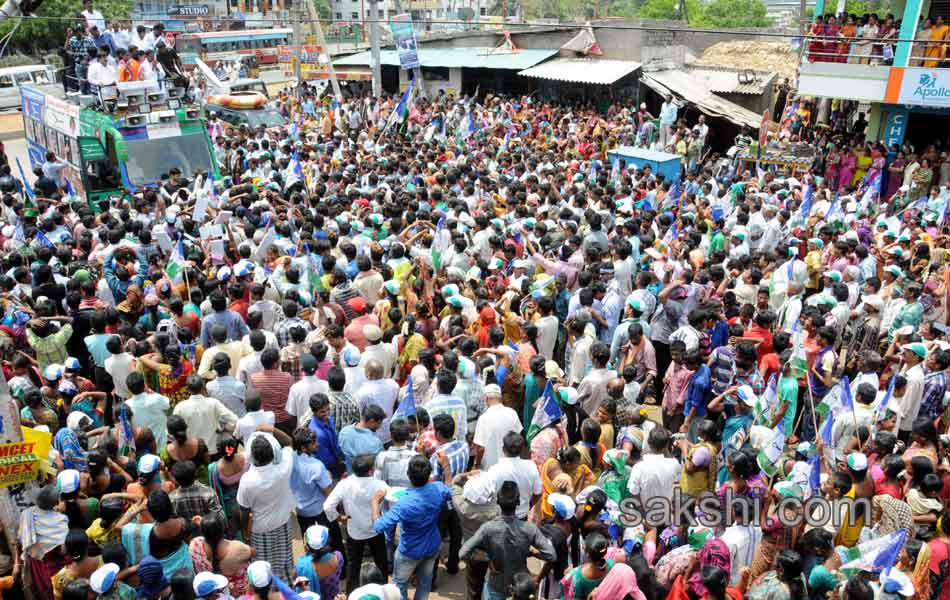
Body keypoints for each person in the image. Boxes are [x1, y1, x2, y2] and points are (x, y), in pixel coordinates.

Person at [371, 454, 455, 600]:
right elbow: (449, 490)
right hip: (432, 546)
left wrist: (374, 502)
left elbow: (378, 526)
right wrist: (446, 467)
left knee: (399, 585)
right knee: (425, 583)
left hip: (409, 551)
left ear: (409, 475)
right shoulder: (438, 489)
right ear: (429, 474)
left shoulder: (404, 504)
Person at [460, 480, 556, 600]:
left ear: (498, 502)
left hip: (496, 587)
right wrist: (530, 552)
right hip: (520, 589)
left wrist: (488, 558)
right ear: (518, 502)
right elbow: (551, 555)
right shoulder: (529, 529)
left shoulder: (488, 528)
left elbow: (463, 553)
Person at [324, 453, 390, 593]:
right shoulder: (380, 485)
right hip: (375, 529)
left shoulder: (345, 484)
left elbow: (327, 506)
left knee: (354, 566)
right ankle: (384, 591)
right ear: (371, 471)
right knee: (381, 563)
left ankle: (351, 593)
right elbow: (394, 500)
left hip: (355, 531)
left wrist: (339, 517)